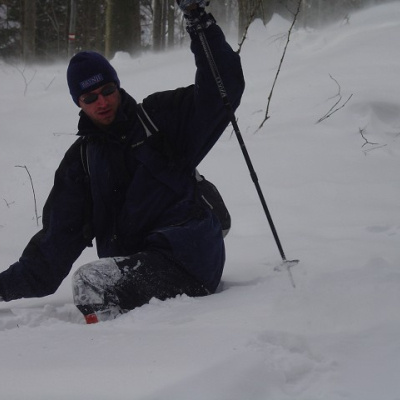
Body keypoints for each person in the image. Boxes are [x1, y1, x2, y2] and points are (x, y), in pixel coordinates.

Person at [0, 0, 244, 323]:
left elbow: (222, 89)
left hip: (191, 254)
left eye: (107, 90)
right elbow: (52, 251)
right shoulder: (81, 163)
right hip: (141, 266)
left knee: (92, 285)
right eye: (90, 97)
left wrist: (198, 20)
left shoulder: (159, 119)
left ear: (117, 86)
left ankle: (126, 345)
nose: (102, 102)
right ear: (78, 103)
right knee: (93, 282)